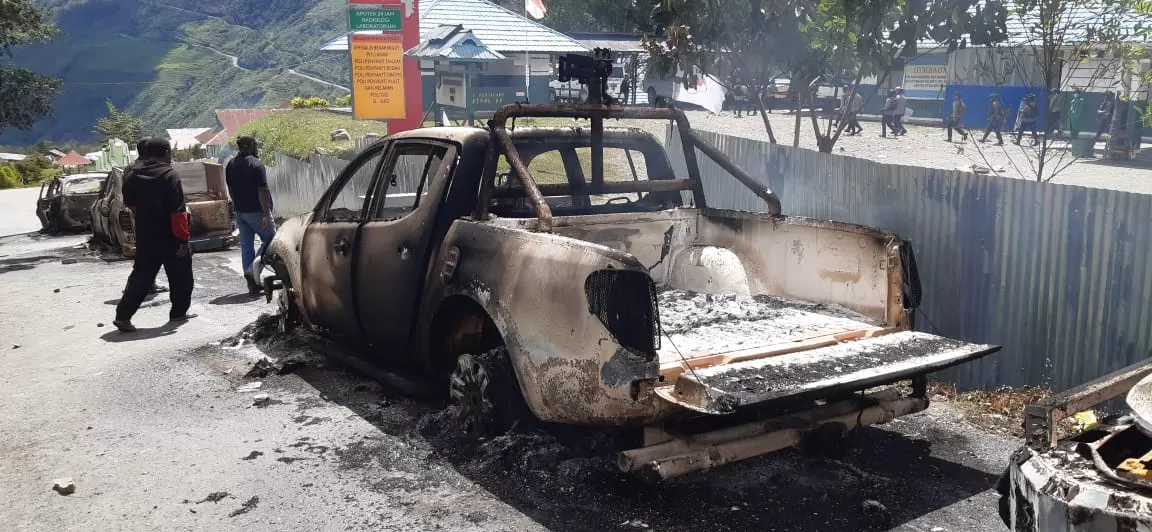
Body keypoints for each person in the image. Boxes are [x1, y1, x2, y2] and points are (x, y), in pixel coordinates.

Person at [113, 138, 195, 332]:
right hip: (170, 236)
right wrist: (183, 240)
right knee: (181, 276)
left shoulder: (132, 174)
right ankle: (178, 313)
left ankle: (123, 316)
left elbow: (130, 203)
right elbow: (178, 213)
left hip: (145, 234)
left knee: (142, 275)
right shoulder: (169, 175)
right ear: (165, 152)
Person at [226, 136, 276, 294]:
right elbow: (263, 191)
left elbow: (231, 190)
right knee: (272, 241)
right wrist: (266, 214)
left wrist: (238, 207)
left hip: (239, 211)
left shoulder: (231, 165)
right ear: (251, 146)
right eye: (256, 145)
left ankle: (252, 283)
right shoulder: (256, 164)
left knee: (246, 245)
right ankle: (251, 271)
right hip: (257, 211)